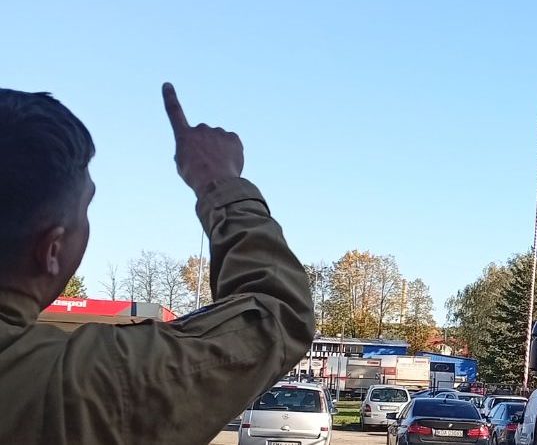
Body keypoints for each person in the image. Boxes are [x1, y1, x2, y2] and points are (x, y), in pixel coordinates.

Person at [0, 84, 315, 444]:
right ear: (51, 249)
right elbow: (278, 313)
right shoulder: (77, 385)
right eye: (86, 208)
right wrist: (220, 183)